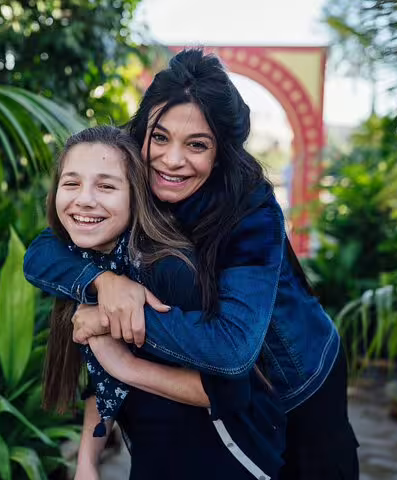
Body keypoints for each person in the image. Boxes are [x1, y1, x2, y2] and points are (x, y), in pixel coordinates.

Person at [24, 50, 359, 480]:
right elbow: (43, 252)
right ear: (143, 130)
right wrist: (102, 282)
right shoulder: (131, 166)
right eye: (160, 138)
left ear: (221, 152)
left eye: (196, 145)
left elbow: (232, 348)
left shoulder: (250, 210)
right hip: (226, 406)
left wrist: (113, 322)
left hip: (298, 378)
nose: (172, 160)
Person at [38, 125, 286, 480]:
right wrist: (87, 461)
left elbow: (229, 393)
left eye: (106, 186)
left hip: (228, 462)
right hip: (154, 459)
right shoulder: (88, 266)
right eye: (71, 183)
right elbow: (101, 370)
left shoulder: (168, 269)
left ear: (135, 196)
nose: (85, 199)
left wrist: (125, 365)